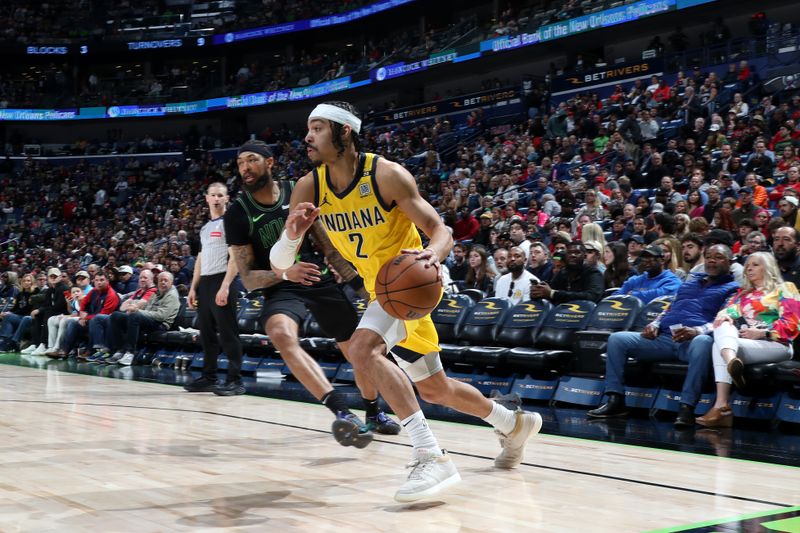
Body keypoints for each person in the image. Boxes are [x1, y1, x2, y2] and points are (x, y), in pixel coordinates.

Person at [275, 101, 541, 502]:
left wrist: (432, 254)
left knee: (363, 348)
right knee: (435, 388)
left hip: (412, 284)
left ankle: (430, 454)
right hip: (382, 291)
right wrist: (292, 236)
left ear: (344, 132)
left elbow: (441, 230)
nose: (307, 137)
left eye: (316, 128)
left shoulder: (386, 174)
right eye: (307, 129)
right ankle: (512, 422)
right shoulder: (309, 186)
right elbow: (280, 264)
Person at [224, 139, 399, 451]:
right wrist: (283, 272)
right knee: (278, 332)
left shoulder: (298, 190)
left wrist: (361, 287)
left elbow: (328, 247)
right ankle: (342, 412)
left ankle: (373, 411)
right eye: (240, 163)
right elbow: (249, 278)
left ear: (269, 163)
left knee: (358, 351)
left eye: (251, 160)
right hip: (279, 287)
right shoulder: (237, 213)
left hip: (317, 277)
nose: (244, 168)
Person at [588, 245, 739, 427]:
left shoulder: (734, 289)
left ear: (730, 263)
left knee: (703, 342)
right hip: (665, 338)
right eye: (708, 256)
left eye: (718, 257)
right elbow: (669, 308)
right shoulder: (689, 283)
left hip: (693, 342)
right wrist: (654, 324)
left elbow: (725, 318)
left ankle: (686, 407)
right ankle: (615, 400)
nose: (712, 260)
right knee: (617, 339)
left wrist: (697, 331)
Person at [699, 252, 799, 427]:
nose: (749, 268)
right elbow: (723, 313)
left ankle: (722, 408)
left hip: (777, 343)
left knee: (718, 345)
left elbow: (792, 325)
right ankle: (731, 364)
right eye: (747, 265)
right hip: (744, 343)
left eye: (755, 264)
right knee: (723, 324)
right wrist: (727, 317)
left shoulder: (785, 288)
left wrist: (763, 333)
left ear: (767, 267)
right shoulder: (743, 294)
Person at [184, 183, 246, 395]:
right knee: (207, 333)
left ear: (227, 198)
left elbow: (236, 256)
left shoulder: (231, 222)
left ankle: (235, 380)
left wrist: (226, 285)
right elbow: (200, 259)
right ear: (207, 198)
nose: (217, 198)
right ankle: (209, 377)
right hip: (206, 283)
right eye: (213, 195)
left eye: (221, 195)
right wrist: (193, 288)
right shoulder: (205, 227)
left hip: (223, 280)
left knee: (228, 332)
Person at [108, 272, 180, 366]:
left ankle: (130, 353)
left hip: (161, 324)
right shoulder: (157, 293)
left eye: (165, 280)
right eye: (160, 280)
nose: (162, 282)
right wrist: (134, 307)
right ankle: (120, 350)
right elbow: (147, 307)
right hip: (149, 319)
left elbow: (161, 316)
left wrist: (138, 311)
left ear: (171, 282)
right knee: (116, 316)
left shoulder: (172, 296)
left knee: (135, 316)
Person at [531, 241, 604, 303]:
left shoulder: (593, 273)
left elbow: (592, 296)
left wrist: (553, 293)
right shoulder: (562, 273)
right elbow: (549, 292)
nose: (572, 255)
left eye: (577, 252)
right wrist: (538, 293)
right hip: (561, 313)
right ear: (565, 256)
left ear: (584, 256)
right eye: (569, 252)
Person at [21, 268, 70, 355]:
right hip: (53, 311)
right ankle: (35, 344)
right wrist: (39, 310)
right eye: (51, 276)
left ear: (60, 277)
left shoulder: (64, 288)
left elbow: (60, 305)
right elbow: (46, 304)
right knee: (38, 315)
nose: (53, 278)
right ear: (48, 278)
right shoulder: (50, 290)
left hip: (64, 312)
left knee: (47, 314)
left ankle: (44, 344)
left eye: (55, 276)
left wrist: (44, 310)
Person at [613, 245, 681, 304]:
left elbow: (661, 297)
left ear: (662, 261)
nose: (646, 262)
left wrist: (632, 295)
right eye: (644, 258)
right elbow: (615, 298)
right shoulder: (635, 280)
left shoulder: (672, 281)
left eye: (650, 258)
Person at [0, 274, 38, 352]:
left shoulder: (35, 292)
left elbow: (27, 309)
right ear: (21, 283)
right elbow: (15, 308)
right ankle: (5, 341)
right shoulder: (20, 294)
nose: (26, 282)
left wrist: (10, 314)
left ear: (32, 282)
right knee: (6, 316)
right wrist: (7, 312)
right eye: (24, 281)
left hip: (29, 318)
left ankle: (11, 343)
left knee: (9, 317)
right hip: (20, 317)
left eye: (28, 280)